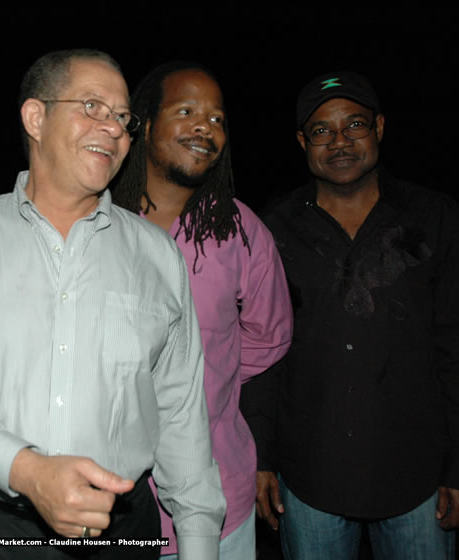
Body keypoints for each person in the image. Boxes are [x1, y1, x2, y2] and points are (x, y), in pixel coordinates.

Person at [0, 49, 225, 560]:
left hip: (120, 532)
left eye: (122, 117)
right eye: (92, 107)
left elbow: (180, 408)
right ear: (36, 118)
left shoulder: (157, 255)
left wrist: (200, 543)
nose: (114, 129)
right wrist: (26, 470)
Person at [243, 71, 459, 559]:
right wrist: (259, 457)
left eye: (354, 124)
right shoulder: (273, 227)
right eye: (321, 130)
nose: (339, 141)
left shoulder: (433, 216)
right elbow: (262, 353)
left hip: (417, 475)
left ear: (379, 127)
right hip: (309, 474)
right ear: (302, 142)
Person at [113, 61, 292, 560]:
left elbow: (271, 334)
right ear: (146, 124)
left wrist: (208, 374)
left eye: (216, 118)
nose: (204, 127)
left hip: (218, 495)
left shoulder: (241, 229)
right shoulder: (98, 223)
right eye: (186, 111)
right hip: (112, 503)